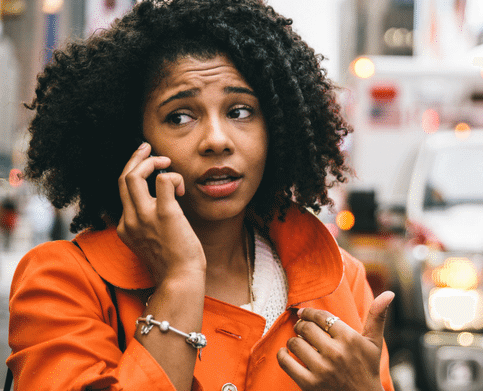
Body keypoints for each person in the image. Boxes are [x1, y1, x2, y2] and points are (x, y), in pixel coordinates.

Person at [6, 0, 395, 390]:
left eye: (240, 111)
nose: (216, 140)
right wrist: (180, 281)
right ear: (131, 141)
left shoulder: (340, 281)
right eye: (180, 116)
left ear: (275, 128)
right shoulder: (63, 282)